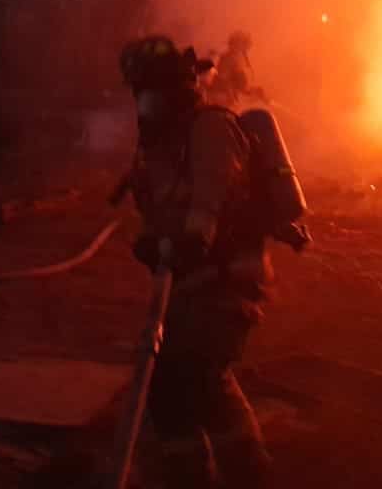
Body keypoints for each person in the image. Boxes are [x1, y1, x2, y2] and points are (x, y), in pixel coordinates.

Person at [118, 35, 274, 489]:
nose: (142, 103)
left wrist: (193, 239)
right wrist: (149, 241)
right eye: (138, 92)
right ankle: (191, 477)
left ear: (172, 88)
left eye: (147, 91)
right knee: (169, 388)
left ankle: (252, 476)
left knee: (200, 377)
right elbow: (158, 208)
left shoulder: (210, 129)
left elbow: (211, 196)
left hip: (228, 282)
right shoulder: (161, 143)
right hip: (189, 284)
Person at [208, 31, 266, 109]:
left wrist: (254, 91)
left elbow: (240, 84)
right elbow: (223, 79)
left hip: (231, 98)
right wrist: (231, 96)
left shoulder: (240, 58)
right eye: (240, 44)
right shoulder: (229, 58)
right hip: (222, 98)